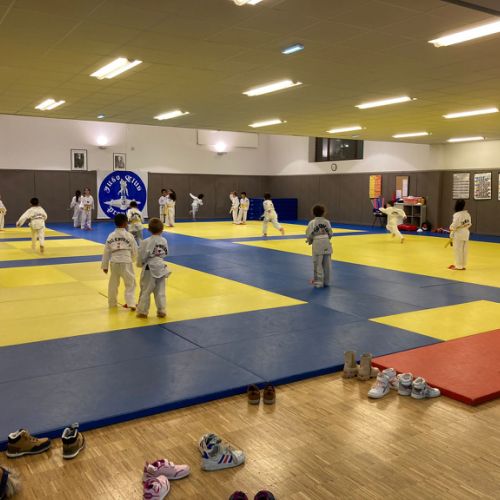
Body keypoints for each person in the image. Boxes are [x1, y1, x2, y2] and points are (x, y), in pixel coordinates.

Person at [101, 213, 138, 310]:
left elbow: (106, 251)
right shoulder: (129, 235)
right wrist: (133, 259)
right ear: (126, 223)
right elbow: (135, 249)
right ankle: (131, 303)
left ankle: (112, 303)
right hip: (126, 260)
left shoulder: (111, 236)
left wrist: (105, 266)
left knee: (113, 283)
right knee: (130, 283)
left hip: (114, 261)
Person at [136, 218, 171, 319]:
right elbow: (166, 253)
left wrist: (140, 264)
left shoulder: (145, 241)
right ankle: (162, 310)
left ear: (149, 229)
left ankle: (143, 311)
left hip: (149, 267)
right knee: (160, 290)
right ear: (162, 229)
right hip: (161, 266)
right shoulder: (164, 240)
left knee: (146, 289)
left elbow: (142, 255)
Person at [306, 205, 333, 288]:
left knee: (317, 263)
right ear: (324, 213)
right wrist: (326, 238)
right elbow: (330, 233)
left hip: (317, 243)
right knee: (327, 264)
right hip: (326, 243)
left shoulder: (312, 223)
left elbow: (309, 234)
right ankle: (327, 282)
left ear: (313, 213)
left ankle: (318, 282)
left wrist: (309, 240)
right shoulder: (327, 222)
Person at [448, 198, 471, 271]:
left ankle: (458, 266)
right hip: (466, 232)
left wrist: (451, 228)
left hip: (459, 234)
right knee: (464, 250)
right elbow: (469, 224)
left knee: (458, 250)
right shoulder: (467, 214)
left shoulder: (457, 215)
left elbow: (454, 225)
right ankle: (462, 265)